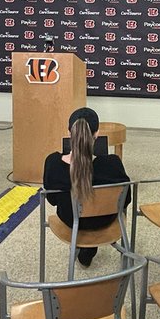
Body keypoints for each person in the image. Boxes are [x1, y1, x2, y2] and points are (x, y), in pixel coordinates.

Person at [42, 107, 129, 268]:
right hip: (106, 220)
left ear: (69, 133)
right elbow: (126, 199)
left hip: (71, 221)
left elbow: (52, 200)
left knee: (79, 214)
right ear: (97, 134)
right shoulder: (112, 164)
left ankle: (84, 245)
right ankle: (89, 248)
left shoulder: (53, 163)